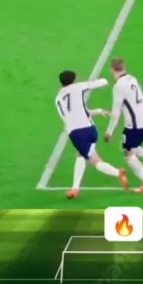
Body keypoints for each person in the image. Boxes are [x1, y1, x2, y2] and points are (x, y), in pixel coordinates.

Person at [55, 70, 128, 198]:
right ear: (74, 80)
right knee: (80, 154)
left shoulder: (58, 99)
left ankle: (119, 173)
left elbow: (67, 117)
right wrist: (99, 110)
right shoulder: (79, 86)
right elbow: (101, 83)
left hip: (77, 134)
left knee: (95, 161)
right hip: (90, 129)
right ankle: (75, 188)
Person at [104, 58, 143, 192]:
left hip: (134, 125)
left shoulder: (118, 87)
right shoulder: (132, 79)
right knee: (131, 146)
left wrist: (109, 131)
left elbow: (116, 112)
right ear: (124, 68)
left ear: (112, 70)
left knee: (128, 153)